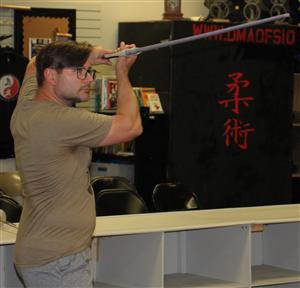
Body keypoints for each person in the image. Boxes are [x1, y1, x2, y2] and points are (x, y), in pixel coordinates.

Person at [10, 40, 142, 288]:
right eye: (79, 72)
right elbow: (131, 126)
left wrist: (89, 56)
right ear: (50, 75)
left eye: (87, 71)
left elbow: (33, 63)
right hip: (58, 261)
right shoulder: (59, 120)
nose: (89, 79)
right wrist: (122, 72)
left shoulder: (27, 106)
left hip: (46, 255)